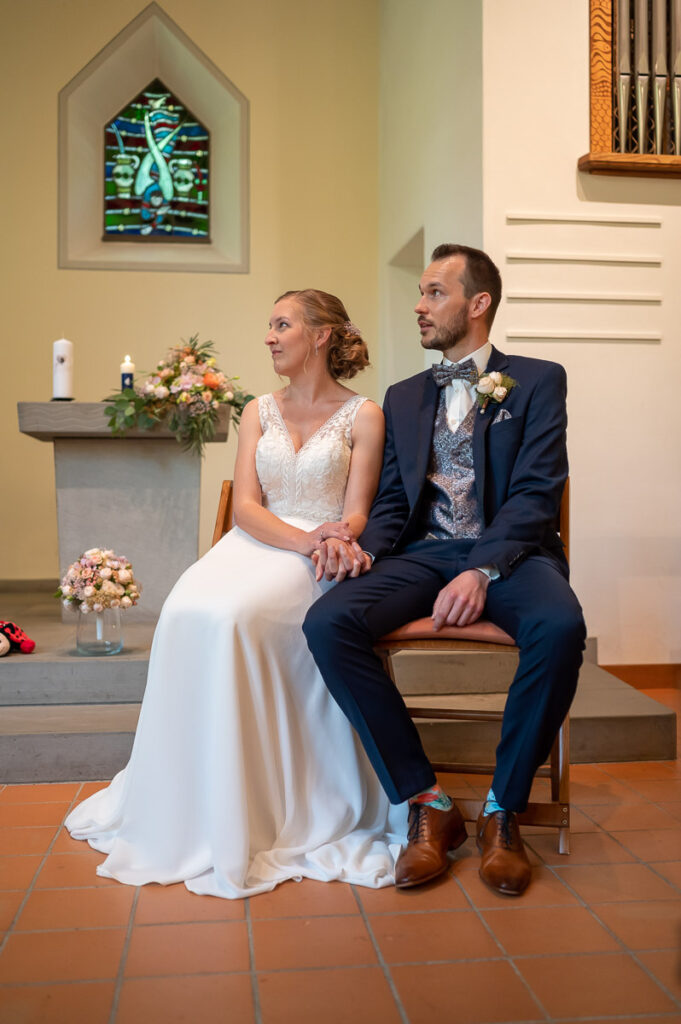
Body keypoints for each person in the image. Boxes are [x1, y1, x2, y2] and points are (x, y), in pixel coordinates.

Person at [66, 289, 407, 898]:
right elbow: (246, 508)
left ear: (322, 335)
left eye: (282, 325)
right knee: (185, 607)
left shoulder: (366, 415)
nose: (270, 336)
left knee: (230, 618)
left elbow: (357, 512)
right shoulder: (257, 410)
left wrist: (327, 542)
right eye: (269, 326)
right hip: (261, 544)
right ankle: (189, 793)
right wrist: (302, 542)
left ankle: (259, 799)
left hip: (321, 554)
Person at [304, 244, 586, 897]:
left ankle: (501, 812)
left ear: (477, 302)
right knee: (328, 621)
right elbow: (396, 502)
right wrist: (362, 551)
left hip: (513, 556)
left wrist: (483, 569)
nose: (418, 304)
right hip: (423, 555)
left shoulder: (538, 379)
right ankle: (426, 802)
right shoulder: (403, 396)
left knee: (560, 624)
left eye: (433, 292)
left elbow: (535, 493)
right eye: (421, 293)